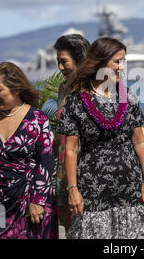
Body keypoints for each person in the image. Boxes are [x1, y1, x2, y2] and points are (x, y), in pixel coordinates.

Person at [56, 37, 144, 239]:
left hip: (129, 189)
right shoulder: (76, 101)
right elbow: (71, 150)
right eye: (117, 62)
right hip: (92, 190)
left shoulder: (128, 96)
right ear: (100, 62)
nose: (121, 67)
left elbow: (139, 141)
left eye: (123, 62)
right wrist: (72, 189)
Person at [0, 62, 58, 239]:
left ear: (16, 88)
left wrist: (38, 200)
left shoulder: (37, 119)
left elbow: (47, 163)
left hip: (32, 202)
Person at [53, 34, 90, 232]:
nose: (60, 68)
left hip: (86, 169)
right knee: (72, 230)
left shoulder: (94, 90)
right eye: (58, 62)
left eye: (64, 62)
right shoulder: (64, 89)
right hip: (64, 170)